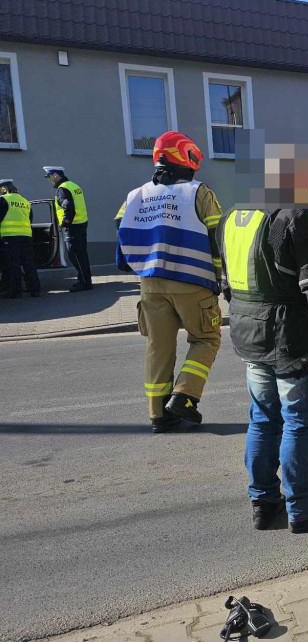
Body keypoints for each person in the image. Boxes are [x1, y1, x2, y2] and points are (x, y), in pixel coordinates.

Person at [219, 139, 308, 533]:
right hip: (291, 340)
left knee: (263, 420)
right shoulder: (297, 217)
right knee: (301, 422)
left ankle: (264, 503)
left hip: (248, 334)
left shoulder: (235, 216)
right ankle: (304, 508)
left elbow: (228, 286)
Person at [116, 132, 224, 433]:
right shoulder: (198, 192)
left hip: (150, 283)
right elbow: (217, 241)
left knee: (158, 347)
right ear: (188, 158)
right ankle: (185, 396)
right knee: (206, 339)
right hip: (193, 281)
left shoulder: (136, 195)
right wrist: (221, 280)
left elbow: (121, 232)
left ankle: (158, 415)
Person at [43, 166, 92, 291]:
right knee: (82, 254)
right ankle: (86, 279)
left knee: (75, 255)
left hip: (72, 227)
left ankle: (84, 282)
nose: (49, 180)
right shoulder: (74, 185)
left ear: (56, 175)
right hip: (81, 223)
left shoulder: (62, 188)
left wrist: (65, 223)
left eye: (50, 176)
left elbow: (68, 207)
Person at [0, 179, 41, 299]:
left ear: (4, 188)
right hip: (26, 236)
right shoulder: (25, 201)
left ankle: (15, 292)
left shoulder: (3, 200)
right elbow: (30, 219)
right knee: (29, 264)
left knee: (14, 264)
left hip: (10, 237)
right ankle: (35, 290)